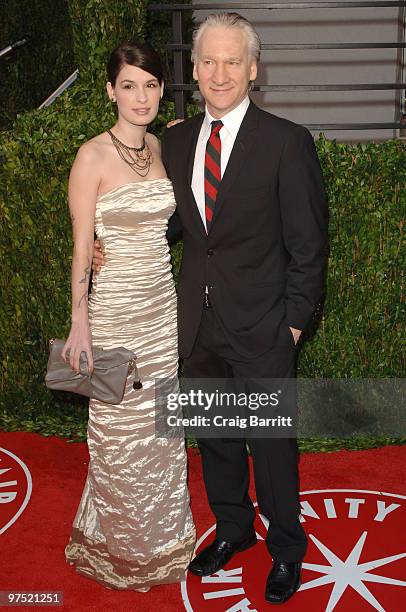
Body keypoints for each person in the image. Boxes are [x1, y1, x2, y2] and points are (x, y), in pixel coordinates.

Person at [94, 12, 328, 605]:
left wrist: (293, 324)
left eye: (233, 61)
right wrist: (110, 242)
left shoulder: (286, 141)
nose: (220, 73)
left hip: (266, 327)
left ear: (253, 69)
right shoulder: (174, 140)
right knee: (218, 439)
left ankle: (286, 549)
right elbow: (178, 224)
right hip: (195, 325)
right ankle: (233, 530)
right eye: (209, 61)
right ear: (194, 70)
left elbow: (309, 246)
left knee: (272, 447)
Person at [62, 42, 195, 591]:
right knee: (117, 433)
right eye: (129, 85)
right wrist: (79, 322)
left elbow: (175, 221)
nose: (140, 97)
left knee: (162, 431)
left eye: (151, 85)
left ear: (162, 91)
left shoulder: (164, 147)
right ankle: (120, 545)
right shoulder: (91, 156)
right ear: (110, 91)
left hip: (162, 313)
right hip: (114, 313)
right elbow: (79, 249)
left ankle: (163, 540)